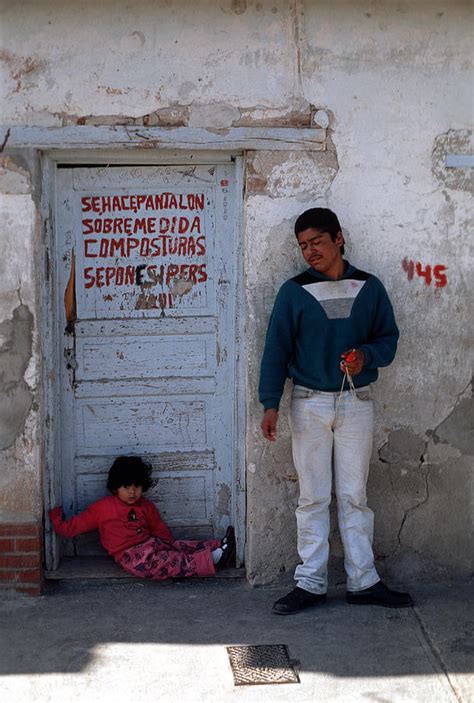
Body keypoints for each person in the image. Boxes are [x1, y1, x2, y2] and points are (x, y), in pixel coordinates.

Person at [259, 208, 413, 614]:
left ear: (339, 238)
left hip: (355, 402)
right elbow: (276, 350)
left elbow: (388, 340)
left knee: (354, 495)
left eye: (318, 243)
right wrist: (269, 404)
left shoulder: (369, 287)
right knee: (312, 496)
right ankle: (310, 582)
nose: (310, 252)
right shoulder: (293, 292)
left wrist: (365, 356)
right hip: (308, 403)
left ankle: (364, 581)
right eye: (303, 246)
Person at [49, 456, 235, 579]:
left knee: (179, 547)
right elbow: (75, 526)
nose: (132, 492)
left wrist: (169, 544)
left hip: (152, 543)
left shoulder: (145, 505)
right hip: (131, 556)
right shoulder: (102, 508)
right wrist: (56, 517)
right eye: (126, 487)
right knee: (166, 565)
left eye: (137, 487)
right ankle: (213, 560)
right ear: (115, 487)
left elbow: (158, 528)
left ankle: (220, 546)